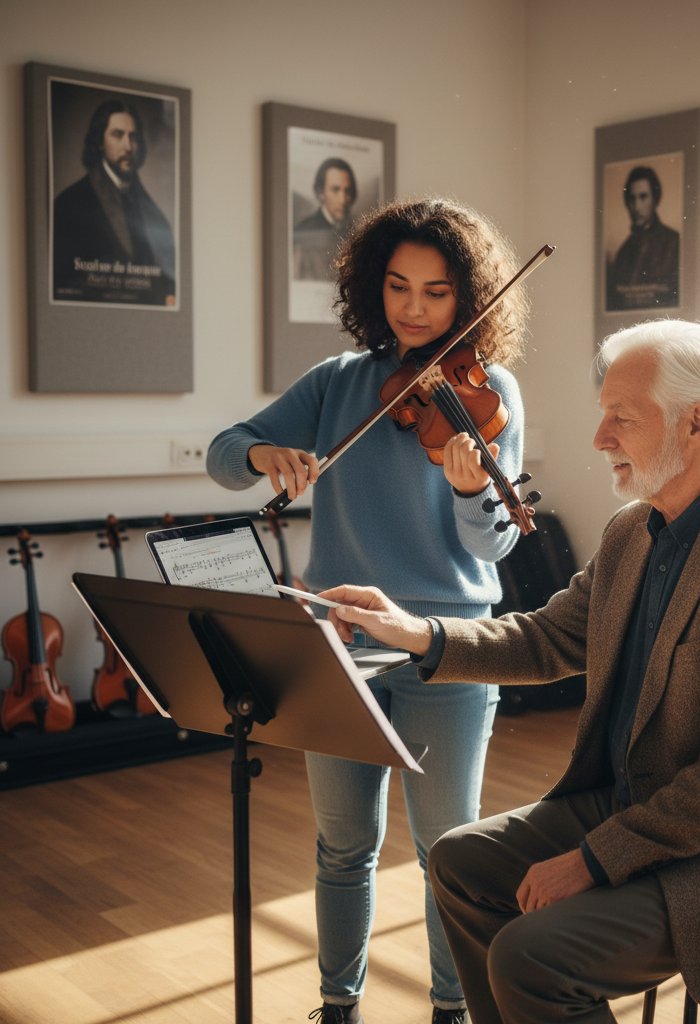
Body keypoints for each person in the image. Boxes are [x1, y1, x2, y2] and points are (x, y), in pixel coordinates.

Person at [320, 318, 700, 1024]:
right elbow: (548, 637)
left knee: (530, 958)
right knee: (459, 863)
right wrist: (413, 632)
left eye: (622, 417)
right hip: (638, 803)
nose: (599, 438)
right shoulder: (632, 531)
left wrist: (592, 859)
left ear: (697, 424)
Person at [206, 197, 531, 1024]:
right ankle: (338, 1006)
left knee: (446, 850)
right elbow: (223, 453)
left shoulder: (488, 392)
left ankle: (452, 1008)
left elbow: (494, 546)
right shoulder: (339, 382)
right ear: (371, 286)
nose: (414, 309)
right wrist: (263, 451)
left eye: (437, 292)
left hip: (446, 648)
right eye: (397, 286)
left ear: (469, 296)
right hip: (342, 645)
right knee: (343, 845)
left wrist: (471, 493)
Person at [52, 97, 175, 305]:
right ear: (100, 142)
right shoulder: (68, 206)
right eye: (118, 135)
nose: (128, 146)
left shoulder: (154, 214)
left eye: (133, 137)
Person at [606, 166, 680, 311]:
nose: (637, 207)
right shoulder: (623, 253)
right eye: (632, 199)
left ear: (655, 199)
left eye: (643, 197)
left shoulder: (674, 242)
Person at [293, 157, 358, 282]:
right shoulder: (303, 231)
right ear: (320, 193)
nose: (343, 199)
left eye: (347, 191)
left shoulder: (357, 232)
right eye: (335, 190)